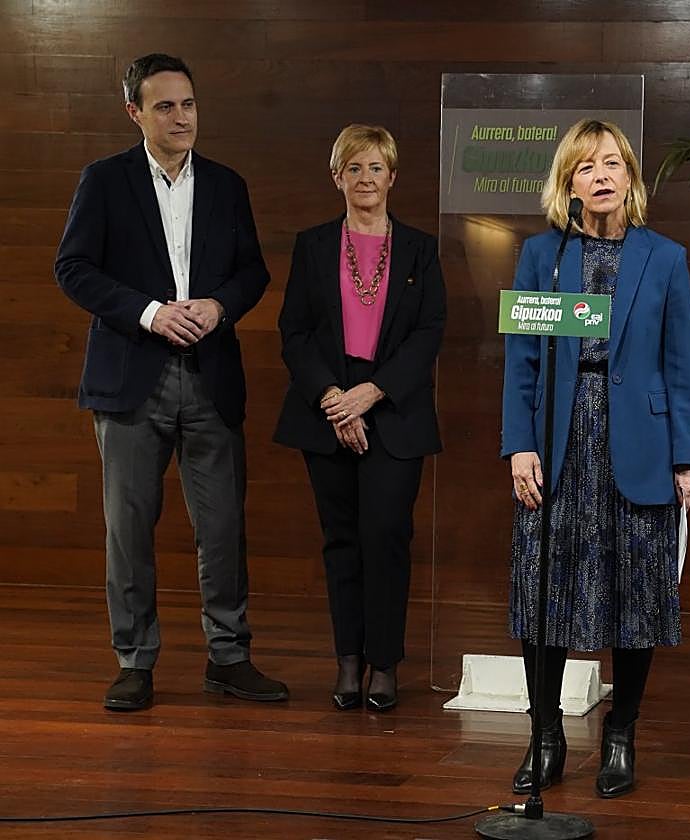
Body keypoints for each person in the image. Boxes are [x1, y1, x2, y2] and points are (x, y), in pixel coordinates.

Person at [54, 53, 285, 711]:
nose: (181, 117)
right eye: (165, 106)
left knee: (222, 528)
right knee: (130, 528)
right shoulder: (104, 181)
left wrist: (217, 306)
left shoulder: (226, 184)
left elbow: (252, 273)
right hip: (132, 377)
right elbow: (72, 268)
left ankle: (229, 657)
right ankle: (134, 661)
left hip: (211, 377)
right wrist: (152, 312)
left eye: (188, 104)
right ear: (135, 112)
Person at [501, 119, 690, 798]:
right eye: (586, 167)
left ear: (631, 177)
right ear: (569, 184)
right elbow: (523, 361)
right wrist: (519, 444)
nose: (602, 175)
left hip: (639, 449)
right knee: (545, 592)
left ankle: (622, 732)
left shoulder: (666, 257)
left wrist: (687, 458)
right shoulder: (542, 256)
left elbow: (680, 367)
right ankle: (547, 734)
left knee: (637, 596)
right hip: (557, 445)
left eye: (613, 163)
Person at [274, 124, 446, 713]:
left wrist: (370, 395)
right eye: (354, 168)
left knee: (386, 538)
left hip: (393, 410)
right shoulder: (313, 244)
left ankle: (386, 664)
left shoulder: (421, 248)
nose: (365, 179)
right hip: (325, 409)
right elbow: (293, 332)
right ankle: (349, 660)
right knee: (341, 540)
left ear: (393, 177)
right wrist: (334, 399)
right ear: (337, 177)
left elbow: (429, 335)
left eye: (376, 168)